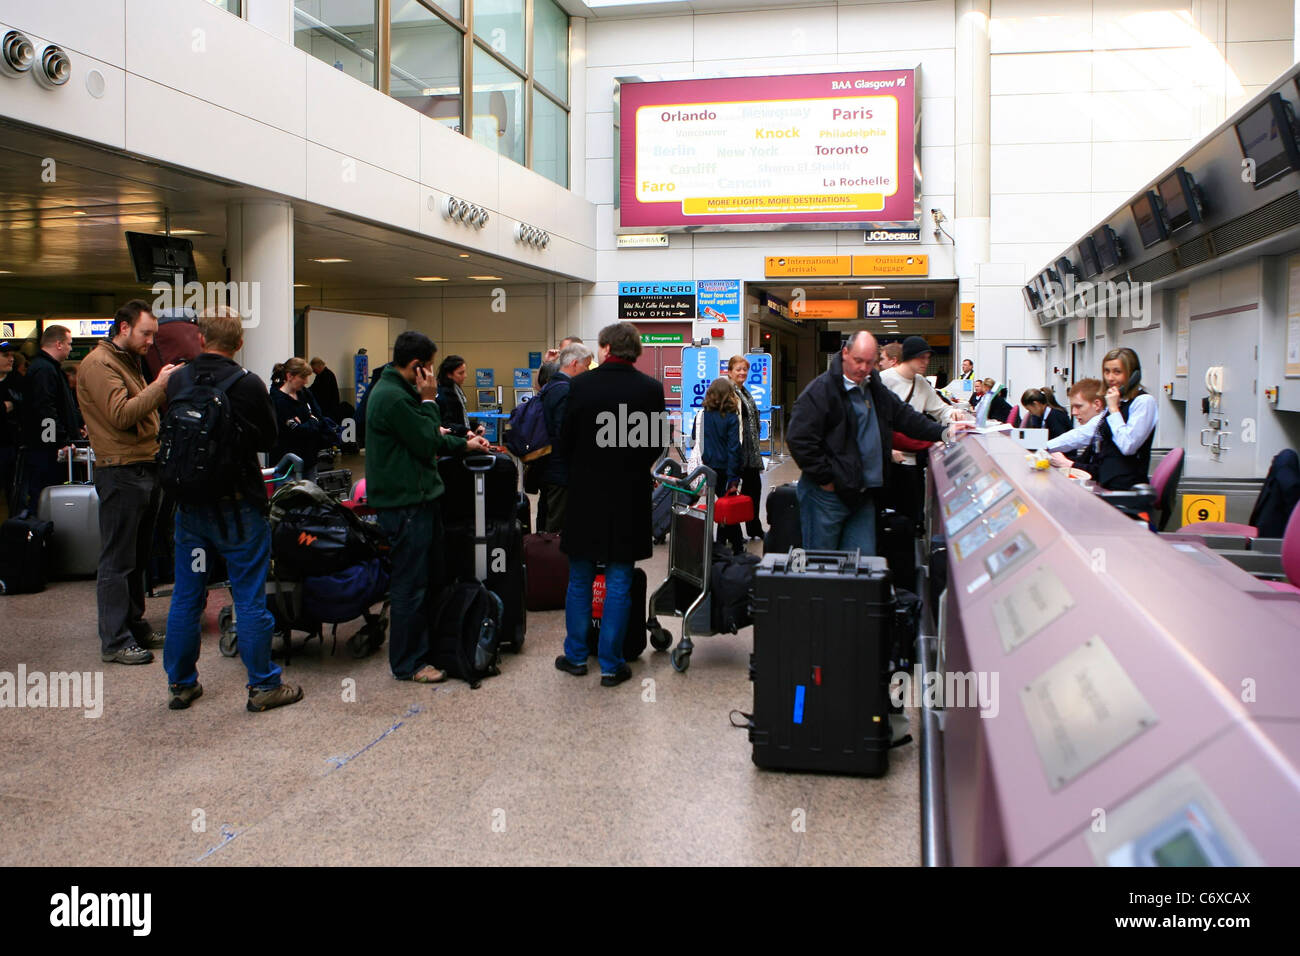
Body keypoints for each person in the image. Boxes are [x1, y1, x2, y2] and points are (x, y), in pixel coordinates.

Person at [162, 307, 303, 712]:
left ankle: (181, 684)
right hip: (239, 508)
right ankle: (263, 686)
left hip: (190, 509)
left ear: (201, 340)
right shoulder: (247, 384)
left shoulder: (178, 380)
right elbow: (269, 438)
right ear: (240, 343)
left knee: (187, 597)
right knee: (248, 597)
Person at [367, 332, 489, 683]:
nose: (433, 373)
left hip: (418, 499)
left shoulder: (401, 393)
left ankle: (429, 646)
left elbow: (431, 435)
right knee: (411, 584)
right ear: (418, 366)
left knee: (430, 578)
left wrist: (465, 444)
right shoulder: (395, 397)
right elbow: (424, 441)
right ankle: (409, 663)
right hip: (406, 504)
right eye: (430, 366)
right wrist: (430, 398)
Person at [555, 322, 665, 687]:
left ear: (604, 348)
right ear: (636, 352)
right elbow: (655, 445)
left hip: (586, 495)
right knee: (619, 578)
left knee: (580, 577)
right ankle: (612, 664)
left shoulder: (580, 385)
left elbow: (564, 441)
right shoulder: (650, 390)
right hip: (628, 496)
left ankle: (574, 657)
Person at [788, 332, 966, 553]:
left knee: (862, 565)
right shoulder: (821, 390)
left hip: (863, 493)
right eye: (858, 360)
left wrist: (944, 433)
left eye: (869, 362)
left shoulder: (873, 386)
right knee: (823, 565)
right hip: (827, 496)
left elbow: (905, 416)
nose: (863, 368)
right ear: (845, 353)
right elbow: (798, 439)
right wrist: (826, 479)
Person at [77, 301, 179, 664]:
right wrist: (160, 385)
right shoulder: (99, 365)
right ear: (123, 328)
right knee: (118, 560)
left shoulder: (126, 363)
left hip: (141, 466)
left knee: (137, 557)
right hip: (120, 471)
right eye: (145, 333)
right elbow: (122, 415)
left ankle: (134, 625)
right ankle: (115, 639)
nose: (150, 341)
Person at [880, 336, 967, 525]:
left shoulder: (921, 383)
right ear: (908, 357)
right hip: (888, 461)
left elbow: (939, 409)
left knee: (911, 515)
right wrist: (887, 449)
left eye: (927, 358)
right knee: (888, 514)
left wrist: (954, 413)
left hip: (912, 460)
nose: (925, 363)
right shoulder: (884, 380)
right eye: (921, 358)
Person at [1045, 350, 1157, 489]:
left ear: (1133, 375)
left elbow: (1128, 445)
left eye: (1117, 372)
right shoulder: (1117, 402)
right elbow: (1084, 433)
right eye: (1107, 371)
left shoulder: (1143, 402)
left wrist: (1114, 409)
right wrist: (1043, 446)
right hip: (1106, 482)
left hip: (1125, 486)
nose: (1110, 378)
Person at [19, 324, 82, 514]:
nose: (71, 348)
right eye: (69, 344)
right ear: (59, 344)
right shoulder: (45, 370)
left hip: (46, 447)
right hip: (46, 452)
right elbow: (45, 411)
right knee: (44, 495)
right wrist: (57, 442)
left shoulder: (46, 368)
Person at [538, 341, 593, 533]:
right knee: (556, 527)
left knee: (549, 518)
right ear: (574, 363)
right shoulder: (565, 390)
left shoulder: (551, 385)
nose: (587, 370)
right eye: (586, 366)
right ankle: (551, 562)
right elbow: (565, 432)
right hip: (561, 469)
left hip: (551, 465)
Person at [698, 377, 745, 555]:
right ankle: (737, 548)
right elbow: (734, 448)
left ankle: (720, 543)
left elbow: (700, 438)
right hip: (727, 468)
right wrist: (734, 477)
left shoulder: (705, 413)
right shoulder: (731, 417)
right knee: (729, 506)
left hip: (710, 467)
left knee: (723, 504)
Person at [270, 357, 336, 482]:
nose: (306, 381)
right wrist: (311, 420)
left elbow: (319, 418)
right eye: (303, 377)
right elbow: (294, 432)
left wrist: (307, 423)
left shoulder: (304, 393)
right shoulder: (278, 401)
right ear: (290, 376)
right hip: (288, 464)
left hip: (309, 459)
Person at [726, 354, 765, 540]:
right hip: (736, 451)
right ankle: (731, 534)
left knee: (753, 490)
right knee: (732, 493)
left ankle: (754, 528)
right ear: (730, 372)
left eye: (744, 369)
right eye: (738, 369)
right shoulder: (728, 392)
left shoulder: (745, 392)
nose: (742, 373)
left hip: (750, 453)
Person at [1048, 378, 1105, 472]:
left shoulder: (1105, 430)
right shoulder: (1094, 438)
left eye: (1078, 406)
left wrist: (1066, 463)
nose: (1074, 412)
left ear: (1097, 405)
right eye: (1072, 407)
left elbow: (1100, 472)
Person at [435, 354, 486, 439]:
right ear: (449, 374)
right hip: (451, 442)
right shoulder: (443, 393)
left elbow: (459, 418)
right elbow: (445, 423)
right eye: (460, 373)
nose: (465, 376)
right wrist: (465, 430)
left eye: (464, 372)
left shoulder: (455, 389)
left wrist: (475, 426)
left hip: (459, 439)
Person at [0, 341, 23, 515]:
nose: (11, 359)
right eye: (5, 355)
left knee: (15, 493)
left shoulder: (18, 381)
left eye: (12, 355)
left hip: (13, 445)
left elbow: (25, 407)